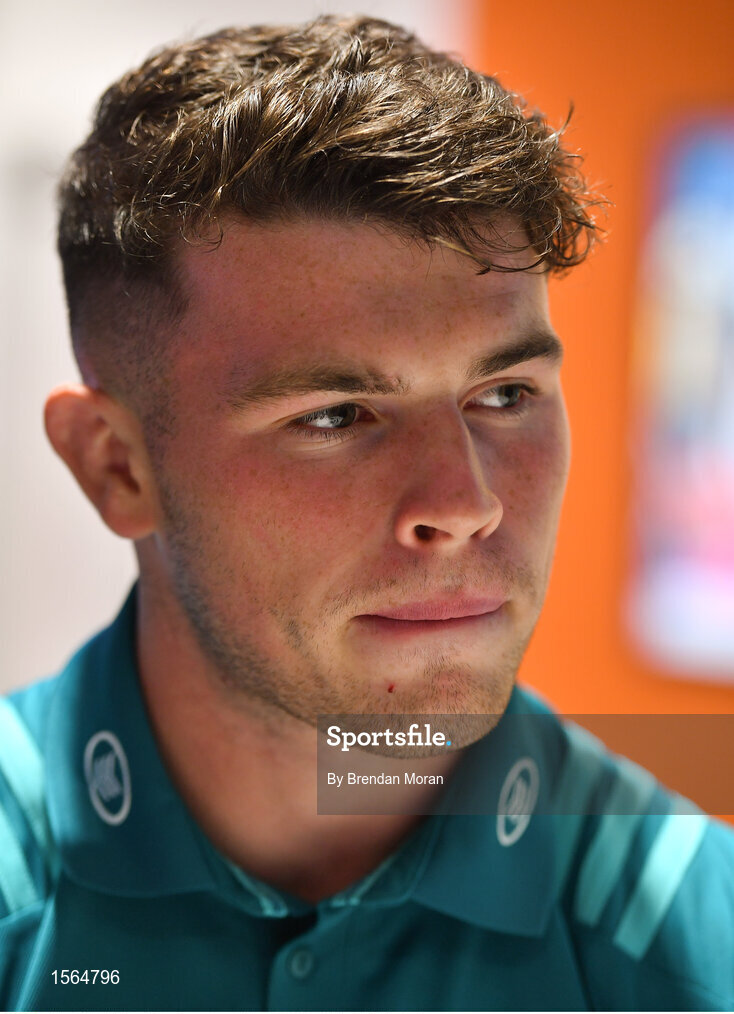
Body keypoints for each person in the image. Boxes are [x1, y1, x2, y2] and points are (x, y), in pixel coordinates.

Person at [0, 14, 732, 1012]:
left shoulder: (692, 938)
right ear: (116, 467)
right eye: (337, 415)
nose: (463, 504)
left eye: (504, 396)